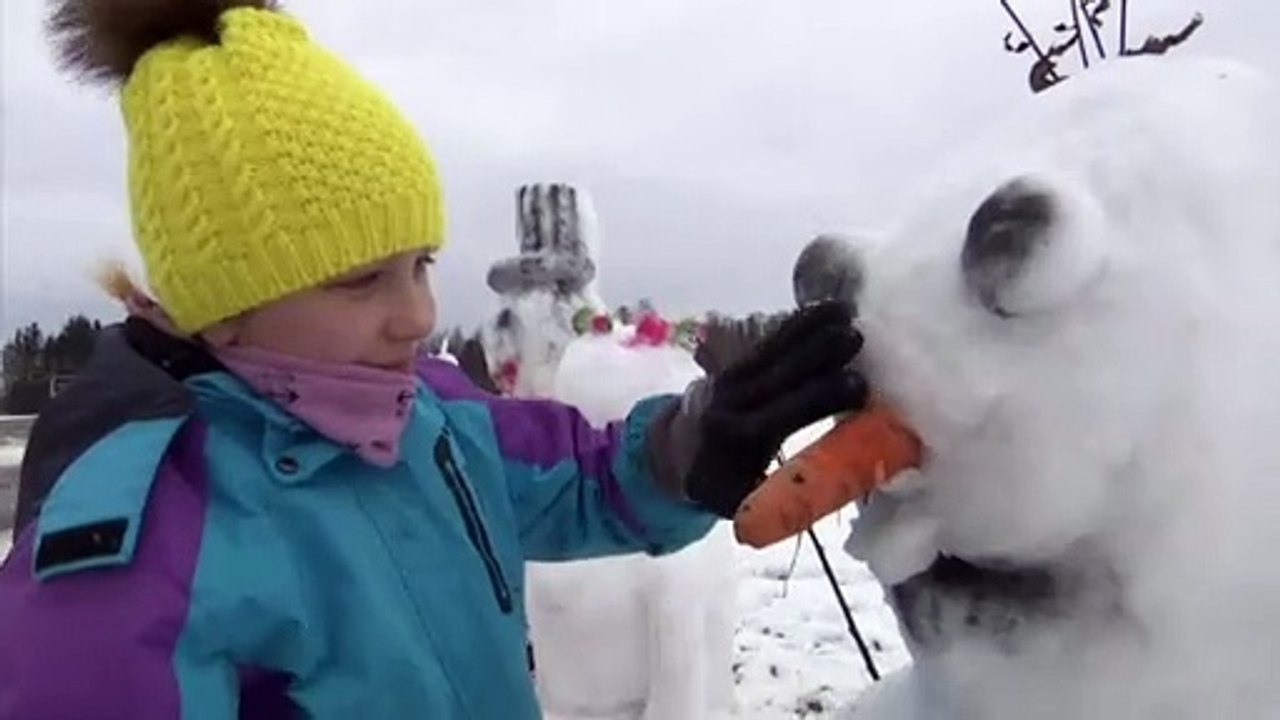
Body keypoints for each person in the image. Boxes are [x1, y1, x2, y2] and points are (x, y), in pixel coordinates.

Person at [0, 0, 869, 717]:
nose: (416, 314)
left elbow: (575, 481)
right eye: (361, 280)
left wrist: (688, 449)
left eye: (421, 264)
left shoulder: (432, 417)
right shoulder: (132, 563)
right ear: (221, 308)